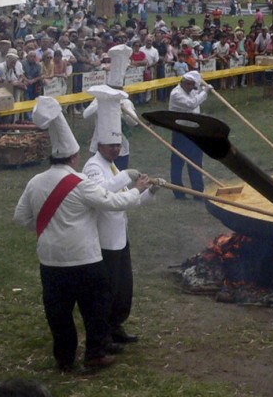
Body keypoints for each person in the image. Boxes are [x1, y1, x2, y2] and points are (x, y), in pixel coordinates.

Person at [15, 97, 150, 371]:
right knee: (96, 308)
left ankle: (64, 359)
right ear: (74, 157)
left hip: (50, 259)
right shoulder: (81, 183)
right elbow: (114, 203)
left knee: (59, 313)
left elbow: (21, 217)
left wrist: (48, 229)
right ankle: (95, 353)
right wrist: (137, 190)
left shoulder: (34, 182)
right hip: (84, 258)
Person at [83, 86, 155, 347]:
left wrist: (148, 192)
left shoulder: (112, 166)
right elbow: (102, 196)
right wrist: (126, 178)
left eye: (118, 145)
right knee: (106, 291)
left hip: (119, 237)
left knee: (123, 288)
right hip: (104, 239)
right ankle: (103, 332)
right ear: (99, 144)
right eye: (111, 146)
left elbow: (126, 200)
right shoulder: (92, 167)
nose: (115, 149)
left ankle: (116, 326)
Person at [83, 44, 136, 171]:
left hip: (121, 148)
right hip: (100, 146)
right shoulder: (100, 99)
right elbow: (86, 114)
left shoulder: (126, 102)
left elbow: (134, 122)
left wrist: (124, 111)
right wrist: (103, 104)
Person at [167, 70, 211, 198]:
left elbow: (197, 96)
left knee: (196, 162)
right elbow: (192, 104)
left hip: (194, 131)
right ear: (185, 83)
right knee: (178, 163)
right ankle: (178, 193)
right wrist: (205, 91)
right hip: (181, 132)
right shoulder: (176, 94)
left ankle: (198, 192)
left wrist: (203, 89)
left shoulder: (191, 90)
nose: (193, 88)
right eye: (192, 85)